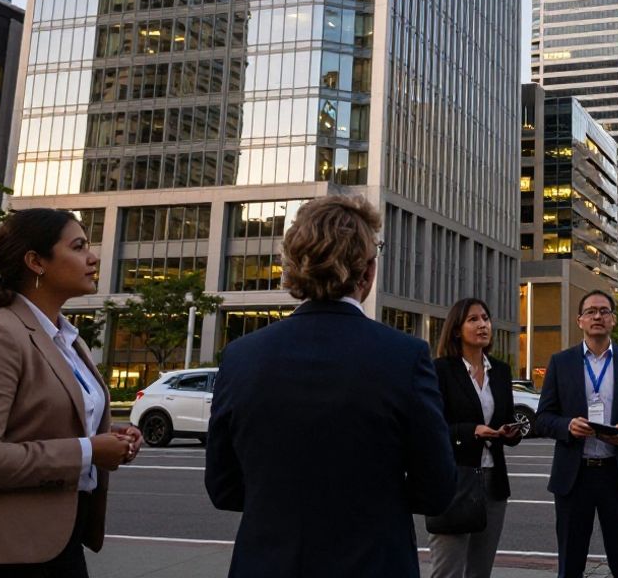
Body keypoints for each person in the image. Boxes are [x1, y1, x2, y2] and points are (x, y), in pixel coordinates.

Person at [205, 195, 456, 577]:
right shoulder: (404, 357)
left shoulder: (241, 356)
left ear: (291, 268)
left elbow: (223, 488)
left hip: (267, 563)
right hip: (374, 563)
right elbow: (436, 490)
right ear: (368, 272)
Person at [0, 208, 141, 577]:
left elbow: (51, 425)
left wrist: (110, 440)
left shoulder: (70, 341)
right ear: (36, 262)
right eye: (78, 247)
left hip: (57, 544)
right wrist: (88, 450)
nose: (93, 257)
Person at [535, 289, 618, 578]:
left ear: (613, 320)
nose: (597, 316)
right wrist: (568, 426)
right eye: (591, 311)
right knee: (570, 564)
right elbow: (543, 417)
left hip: (617, 476)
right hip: (574, 477)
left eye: (604, 311)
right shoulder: (561, 362)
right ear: (579, 321)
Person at [428, 297, 523, 578]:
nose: (483, 325)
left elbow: (504, 422)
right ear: (457, 329)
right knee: (448, 570)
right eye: (473, 319)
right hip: (455, 481)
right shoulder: (441, 370)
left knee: (480, 571)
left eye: (485, 318)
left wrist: (509, 432)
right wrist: (471, 431)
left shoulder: (501, 371)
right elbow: (432, 427)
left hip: (494, 482)